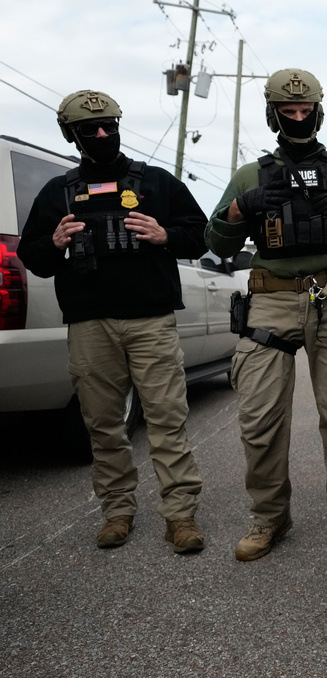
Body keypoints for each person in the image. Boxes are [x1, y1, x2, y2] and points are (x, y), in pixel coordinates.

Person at [18, 90, 207, 554]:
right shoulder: (57, 192)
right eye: (90, 130)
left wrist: (166, 235)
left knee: (166, 419)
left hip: (151, 322)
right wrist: (54, 243)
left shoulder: (157, 183)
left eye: (109, 126)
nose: (102, 134)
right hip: (89, 326)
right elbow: (32, 257)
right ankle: (117, 510)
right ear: (73, 135)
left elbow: (200, 235)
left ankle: (180, 515)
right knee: (102, 423)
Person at [205, 68, 327, 562]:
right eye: (287, 111)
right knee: (259, 418)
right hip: (271, 297)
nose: (298, 118)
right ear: (272, 114)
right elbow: (213, 243)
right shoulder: (250, 175)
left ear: (319, 111)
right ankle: (269, 516)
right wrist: (240, 210)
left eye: (305, 110)